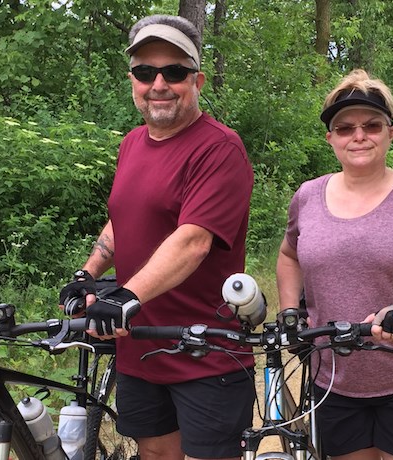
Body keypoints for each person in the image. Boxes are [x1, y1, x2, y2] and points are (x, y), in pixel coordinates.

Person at [58, 14, 255, 460]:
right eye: (146, 72)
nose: (159, 84)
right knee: (155, 455)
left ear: (198, 79)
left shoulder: (219, 148)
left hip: (204, 349)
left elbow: (193, 240)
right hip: (140, 347)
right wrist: (87, 273)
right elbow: (123, 220)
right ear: (133, 81)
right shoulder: (131, 143)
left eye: (175, 72)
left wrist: (127, 295)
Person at [276, 69, 393, 460]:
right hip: (333, 379)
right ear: (331, 138)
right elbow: (289, 254)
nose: (359, 136)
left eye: (372, 125)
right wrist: (290, 310)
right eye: (345, 128)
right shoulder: (307, 196)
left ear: (390, 132)